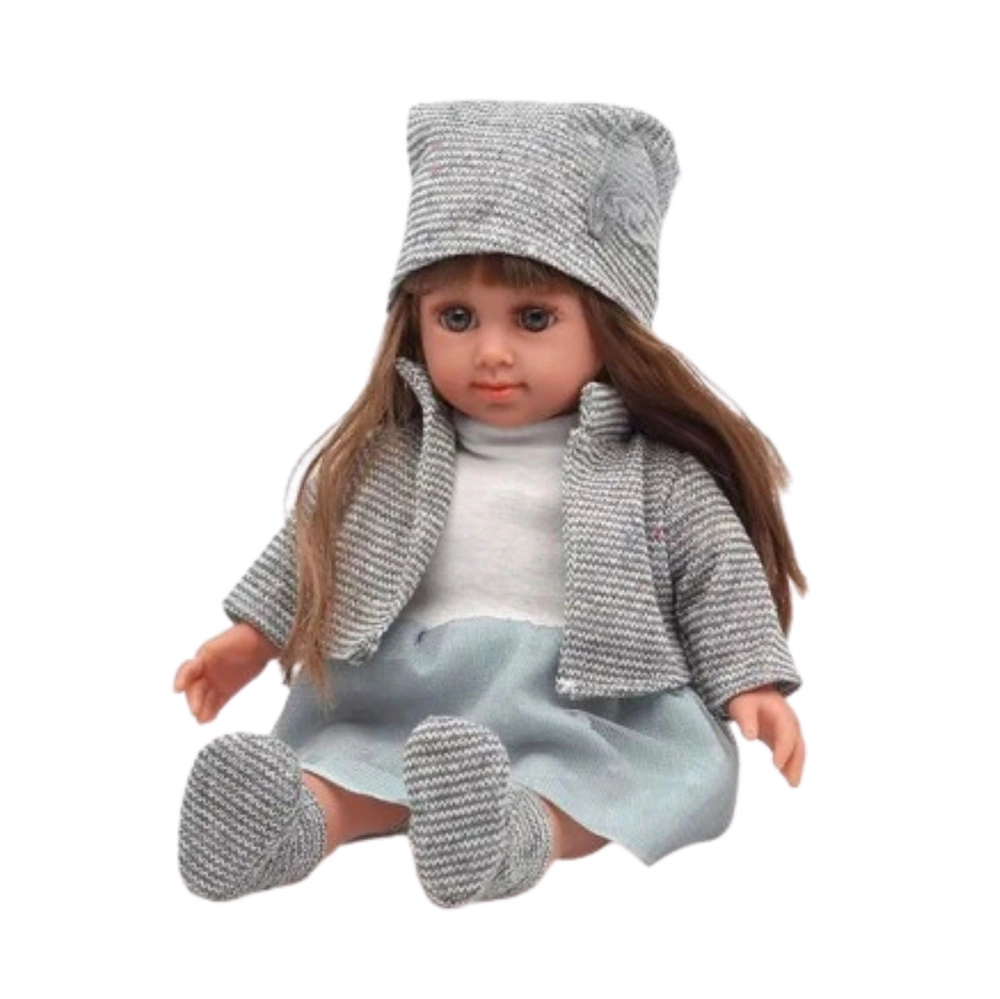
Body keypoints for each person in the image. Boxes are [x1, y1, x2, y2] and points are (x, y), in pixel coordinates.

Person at [174, 100, 807, 908]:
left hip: (589, 702)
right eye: (457, 318)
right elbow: (313, 546)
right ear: (415, 321)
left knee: (613, 777)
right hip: (410, 690)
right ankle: (296, 821)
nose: (492, 352)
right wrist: (252, 638)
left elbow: (717, 574)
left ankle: (516, 833)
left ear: (611, 322)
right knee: (359, 755)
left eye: (534, 318)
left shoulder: (656, 475)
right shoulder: (389, 462)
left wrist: (751, 682)